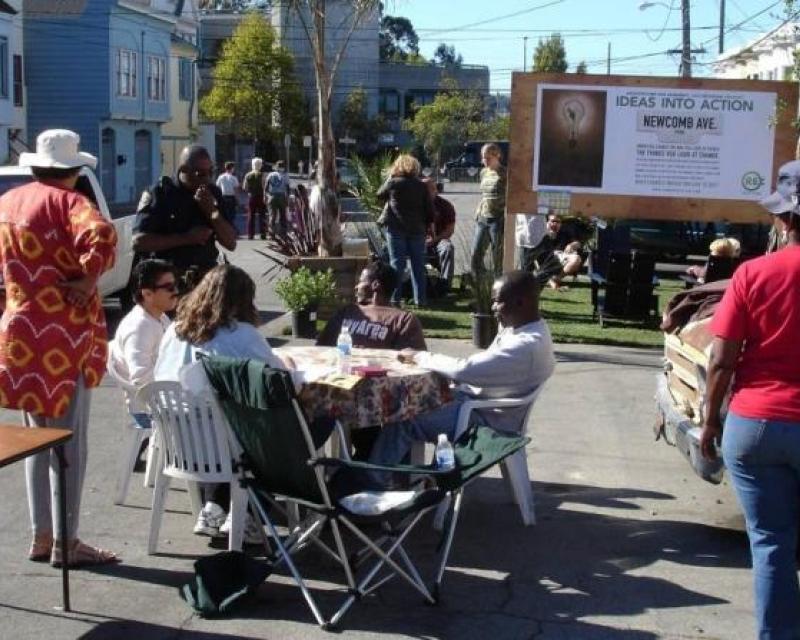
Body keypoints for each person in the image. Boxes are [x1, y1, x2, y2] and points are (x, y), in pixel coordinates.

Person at [0, 129, 119, 567]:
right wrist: (88, 279)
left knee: (35, 438)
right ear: (73, 170)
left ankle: (41, 536)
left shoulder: (7, 204)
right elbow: (103, 238)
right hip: (63, 335)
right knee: (70, 442)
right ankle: (68, 543)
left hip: (19, 333)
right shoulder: (72, 203)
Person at [700, 159, 800, 640]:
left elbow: (721, 360)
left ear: (783, 219)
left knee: (772, 544)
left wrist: (708, 423)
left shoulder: (752, 275)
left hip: (755, 425)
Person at [368, 270, 555, 475]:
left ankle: (372, 484)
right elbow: (475, 370)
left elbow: (463, 369)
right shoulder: (530, 328)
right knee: (409, 399)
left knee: (404, 415)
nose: (492, 308)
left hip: (485, 420)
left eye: (497, 302)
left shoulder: (525, 346)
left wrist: (419, 356)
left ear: (521, 303)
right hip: (483, 406)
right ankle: (402, 478)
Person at [154, 264, 289, 541]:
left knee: (215, 419)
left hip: (179, 445)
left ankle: (214, 505)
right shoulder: (242, 335)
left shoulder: (175, 332)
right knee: (279, 429)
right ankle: (248, 513)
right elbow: (278, 380)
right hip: (225, 446)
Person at [133, 145, 237, 292]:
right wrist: (186, 238)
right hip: (168, 283)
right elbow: (139, 241)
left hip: (204, 283)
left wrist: (211, 211)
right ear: (183, 170)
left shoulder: (212, 192)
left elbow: (231, 243)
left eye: (210, 172)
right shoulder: (160, 193)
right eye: (200, 173)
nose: (206, 178)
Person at [108, 259, 178, 428]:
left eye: (176, 285)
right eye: (169, 287)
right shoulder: (139, 328)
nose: (176, 291)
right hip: (149, 410)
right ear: (147, 294)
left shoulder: (159, 317)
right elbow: (141, 379)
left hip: (164, 398)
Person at [317, 261, 427, 351]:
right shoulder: (346, 312)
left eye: (361, 282)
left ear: (375, 285)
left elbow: (414, 359)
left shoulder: (403, 320)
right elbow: (321, 349)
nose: (356, 287)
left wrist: (369, 355)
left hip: (381, 375)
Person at [376, 154, 433, 306]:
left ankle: (395, 299)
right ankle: (420, 299)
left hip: (396, 228)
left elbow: (379, 194)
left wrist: (390, 177)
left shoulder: (394, 183)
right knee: (418, 265)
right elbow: (429, 210)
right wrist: (427, 226)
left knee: (397, 265)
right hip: (417, 229)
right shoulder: (421, 185)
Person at [471, 143, 507, 275]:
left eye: (487, 157)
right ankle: (479, 281)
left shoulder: (505, 173)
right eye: (483, 157)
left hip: (498, 218)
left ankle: (498, 284)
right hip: (483, 216)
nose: (484, 160)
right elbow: (484, 194)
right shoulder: (483, 172)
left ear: (497, 156)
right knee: (476, 252)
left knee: (497, 254)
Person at [423, 178, 456, 296]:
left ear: (436, 190)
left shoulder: (445, 206)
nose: (428, 192)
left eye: (431, 189)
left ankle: (445, 285)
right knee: (417, 251)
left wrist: (434, 240)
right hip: (419, 241)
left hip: (439, 240)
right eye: (424, 190)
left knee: (447, 248)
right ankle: (427, 285)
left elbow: (449, 230)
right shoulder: (415, 206)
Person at [242, 157, 267, 240]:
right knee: (262, 215)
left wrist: (250, 191)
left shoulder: (248, 175)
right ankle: (263, 234)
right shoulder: (262, 175)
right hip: (260, 197)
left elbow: (244, 187)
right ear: (260, 165)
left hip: (251, 197)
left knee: (251, 216)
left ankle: (250, 234)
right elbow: (264, 186)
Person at [265, 160, 290, 237]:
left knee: (272, 215)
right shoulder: (285, 175)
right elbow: (287, 187)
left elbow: (266, 186)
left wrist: (265, 196)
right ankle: (283, 232)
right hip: (281, 196)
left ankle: (271, 232)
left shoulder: (270, 174)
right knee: (283, 215)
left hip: (272, 196)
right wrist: (287, 197)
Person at [215, 161, 240, 227]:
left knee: (224, 213)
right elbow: (236, 190)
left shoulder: (221, 177)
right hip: (231, 197)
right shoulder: (234, 178)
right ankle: (230, 226)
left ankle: (225, 226)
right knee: (232, 214)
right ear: (231, 168)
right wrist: (237, 199)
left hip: (223, 197)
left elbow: (217, 187)